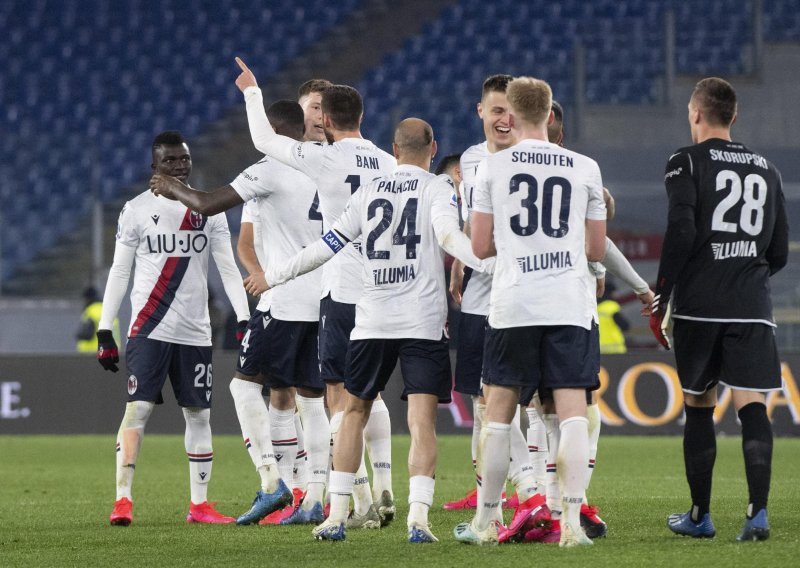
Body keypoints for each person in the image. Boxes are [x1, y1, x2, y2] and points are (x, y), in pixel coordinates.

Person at [257, 118, 492, 543]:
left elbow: (325, 245)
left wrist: (276, 276)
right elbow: (448, 234)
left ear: (394, 150)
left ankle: (336, 517)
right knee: (422, 422)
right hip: (422, 322)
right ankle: (417, 520)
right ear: (433, 148)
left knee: (352, 413)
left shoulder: (368, 191)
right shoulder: (438, 187)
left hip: (371, 320)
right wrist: (485, 262)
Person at [150, 101, 331, 526]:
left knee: (244, 388)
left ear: (271, 128)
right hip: (322, 300)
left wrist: (169, 186)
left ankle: (272, 482)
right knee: (311, 399)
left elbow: (208, 203)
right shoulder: (324, 165)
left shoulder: (269, 168)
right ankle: (315, 497)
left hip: (282, 301)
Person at [234, 57, 397, 528]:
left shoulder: (315, 159)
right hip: (384, 289)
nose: (311, 119)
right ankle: (367, 492)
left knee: (334, 396)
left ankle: (329, 498)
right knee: (364, 396)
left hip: (332, 291)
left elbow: (264, 141)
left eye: (317, 112)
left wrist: (250, 91)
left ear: (326, 118)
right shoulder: (386, 163)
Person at [455, 77, 606, 547]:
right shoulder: (585, 167)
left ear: (512, 115)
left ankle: (484, 523)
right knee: (572, 414)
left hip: (514, 301)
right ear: (550, 115)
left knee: (498, 414)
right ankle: (572, 526)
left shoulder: (492, 170)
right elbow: (596, 248)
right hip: (567, 302)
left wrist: (519, 246)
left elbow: (478, 247)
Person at [649, 77, 788, 541]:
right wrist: (745, 276)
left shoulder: (684, 161)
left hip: (700, 306)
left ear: (695, 114)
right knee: (753, 408)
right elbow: (781, 250)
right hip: (751, 306)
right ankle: (758, 515)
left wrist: (663, 291)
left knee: (699, 406)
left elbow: (682, 230)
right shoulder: (768, 169)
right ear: (734, 116)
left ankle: (700, 515)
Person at [97, 131, 250, 526]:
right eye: (171, 161)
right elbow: (119, 271)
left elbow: (227, 266)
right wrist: (104, 328)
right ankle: (123, 500)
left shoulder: (207, 209)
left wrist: (244, 315)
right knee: (139, 409)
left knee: (199, 415)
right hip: (149, 326)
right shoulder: (134, 210)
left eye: (184, 159)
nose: (179, 166)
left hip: (195, 330)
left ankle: (199, 506)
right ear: (155, 166)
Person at [445, 76, 544, 529]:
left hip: (523, 296)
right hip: (480, 299)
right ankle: (502, 499)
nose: (504, 119)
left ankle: (533, 491)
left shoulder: (533, 161)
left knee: (511, 401)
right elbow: (470, 226)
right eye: (495, 110)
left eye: (510, 111)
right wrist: (458, 264)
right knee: (487, 403)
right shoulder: (469, 160)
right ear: (479, 112)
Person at [76, 286, 118, 352]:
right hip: (112, 353)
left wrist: (79, 335)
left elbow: (87, 334)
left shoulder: (91, 311)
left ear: (88, 299)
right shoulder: (109, 311)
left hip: (91, 353)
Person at [596, 278, 629, 354]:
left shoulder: (595, 308)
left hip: (599, 350)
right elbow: (625, 326)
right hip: (615, 350)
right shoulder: (611, 306)